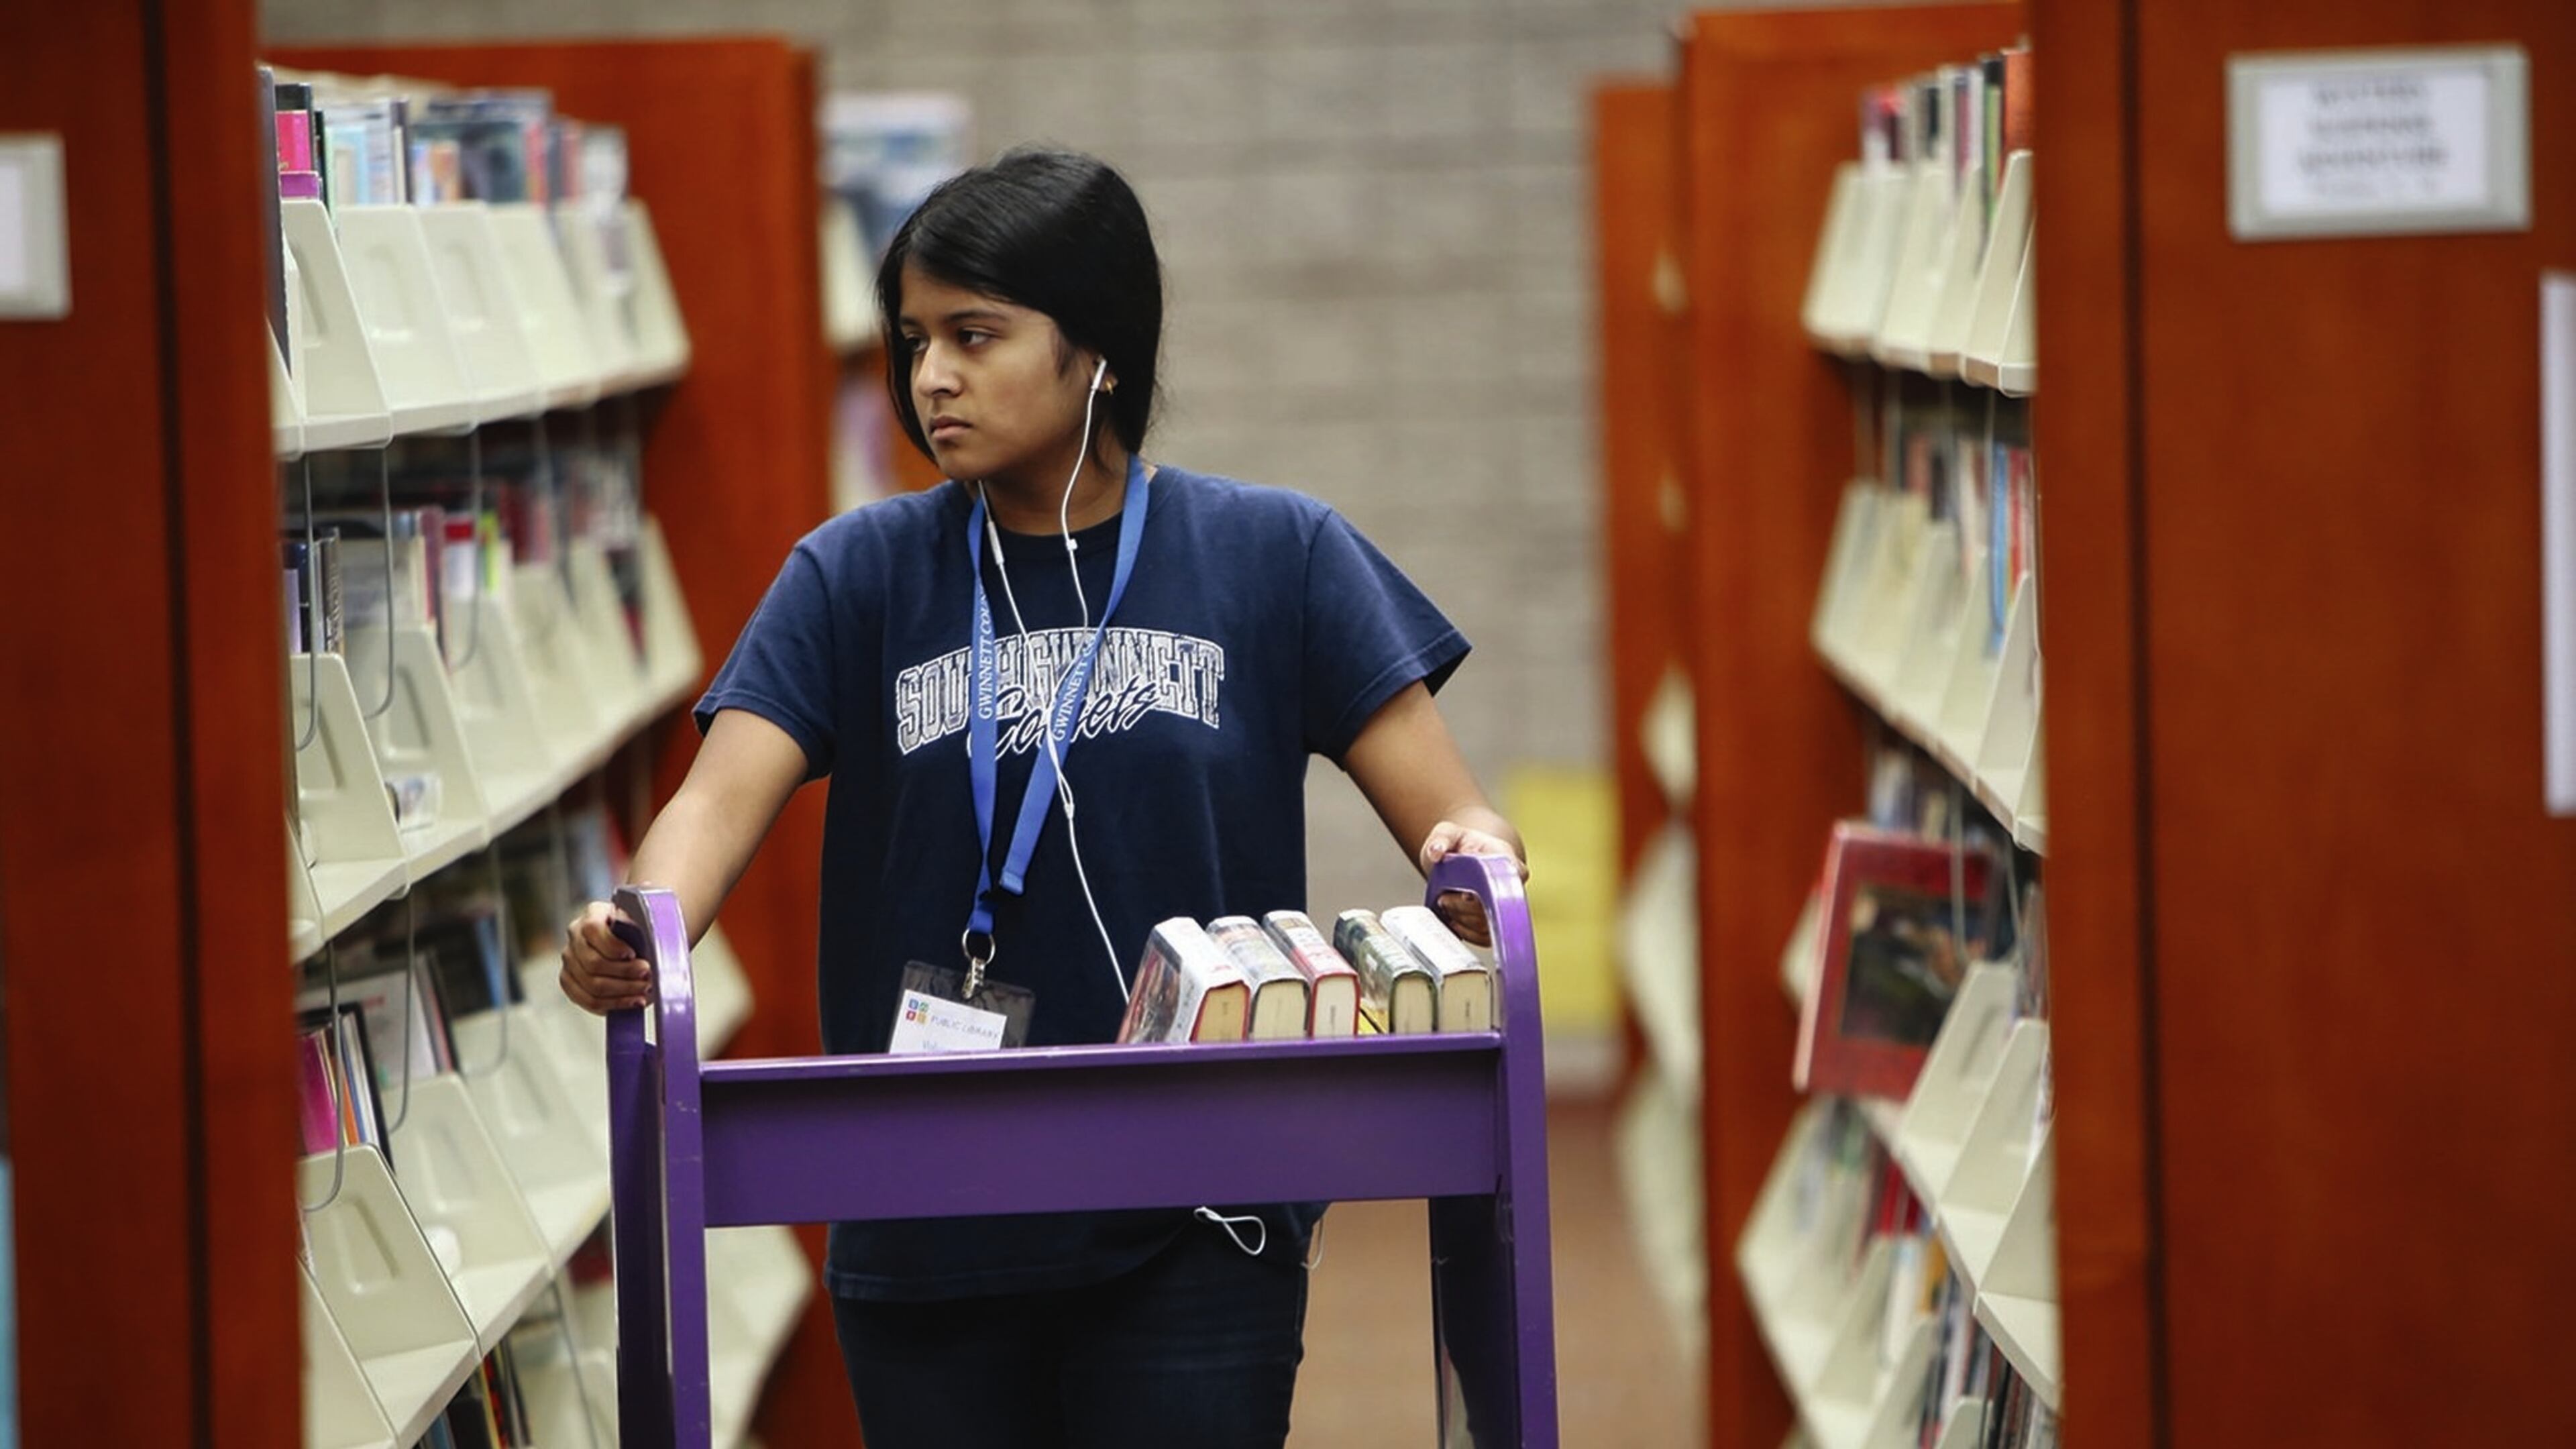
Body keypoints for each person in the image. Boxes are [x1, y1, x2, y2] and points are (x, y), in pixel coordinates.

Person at [557, 146, 1525, 1448]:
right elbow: (715, 803)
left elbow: (1458, 830)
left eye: (976, 334)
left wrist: (1478, 861)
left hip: (1205, 1217)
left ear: (1101, 351)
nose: (931, 376)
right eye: (913, 339)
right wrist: (638, 926)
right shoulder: (856, 573)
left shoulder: (1273, 553)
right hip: (925, 1221)